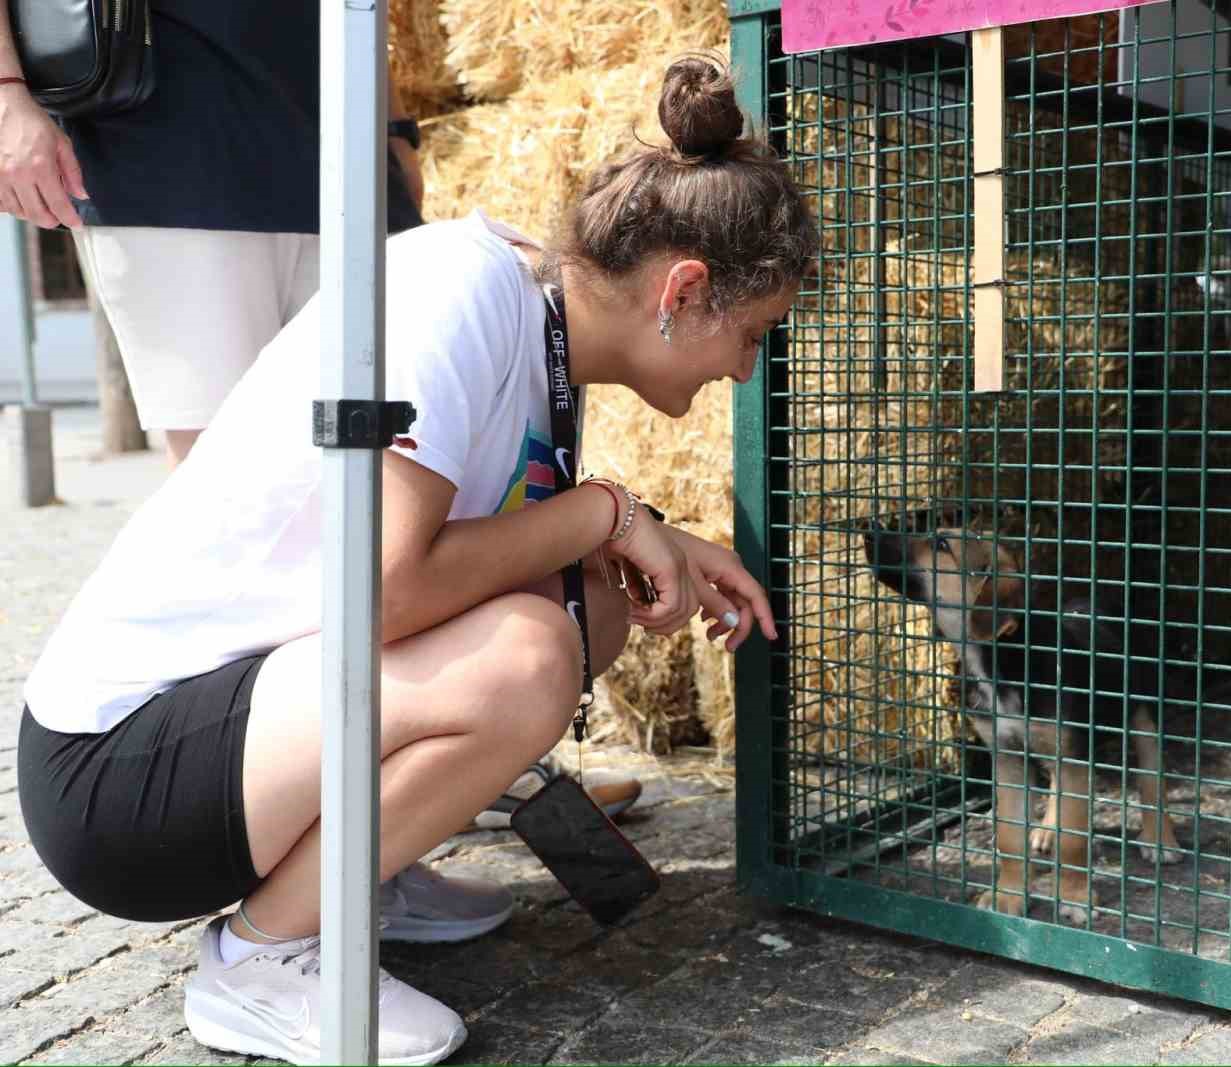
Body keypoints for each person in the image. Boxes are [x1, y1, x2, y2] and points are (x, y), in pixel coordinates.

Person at [16, 54, 818, 1065]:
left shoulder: (534, 320)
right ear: (684, 287)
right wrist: (606, 510)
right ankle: (262, 959)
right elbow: (387, 593)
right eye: (749, 334)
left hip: (232, 725)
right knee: (530, 651)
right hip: (114, 775)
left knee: (592, 606)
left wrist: (635, 529)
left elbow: (498, 556)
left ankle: (362, 872)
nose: (742, 367)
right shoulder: (462, 291)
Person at [0, 1, 641, 819]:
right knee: (253, 534)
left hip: (331, 133)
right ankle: (312, 840)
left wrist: (396, 125)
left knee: (418, 501)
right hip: (166, 132)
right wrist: (5, 90)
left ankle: (425, 774)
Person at [0, 1, 424, 469]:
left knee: (385, 465)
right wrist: (7, 97)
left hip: (348, 148)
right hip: (166, 149)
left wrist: (394, 125)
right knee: (228, 476)